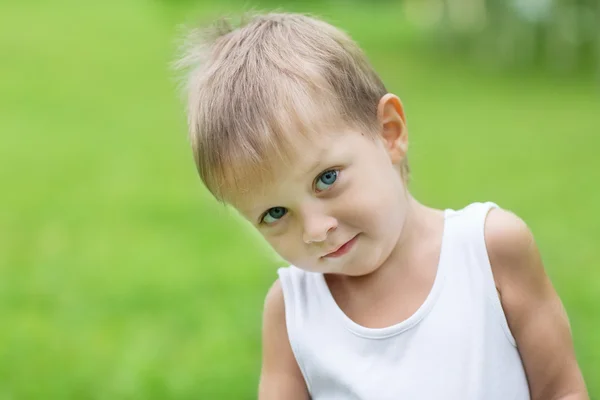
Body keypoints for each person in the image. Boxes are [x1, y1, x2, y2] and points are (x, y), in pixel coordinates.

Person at [175, 12, 588, 400]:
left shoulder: (489, 251)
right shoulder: (291, 312)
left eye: (327, 178)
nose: (316, 230)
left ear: (389, 132)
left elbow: (561, 389)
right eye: (275, 214)